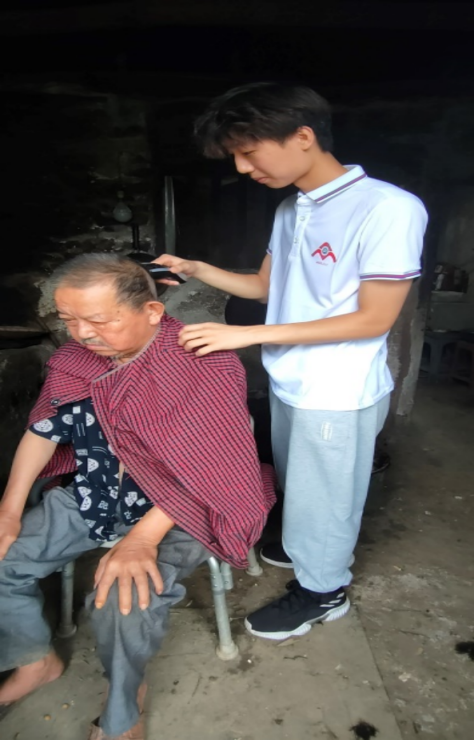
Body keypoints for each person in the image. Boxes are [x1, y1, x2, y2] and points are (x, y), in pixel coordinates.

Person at [154, 82, 428, 642]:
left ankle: (324, 591)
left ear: (303, 136)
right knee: (302, 483)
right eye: (235, 155)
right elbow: (264, 286)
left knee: (328, 495)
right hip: (291, 378)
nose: (242, 167)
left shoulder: (388, 208)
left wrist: (246, 336)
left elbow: (373, 319)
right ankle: (306, 544)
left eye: (249, 151)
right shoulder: (292, 208)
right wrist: (198, 268)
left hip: (336, 388)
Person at [0, 253, 275, 739]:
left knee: (121, 601)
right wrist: (9, 509)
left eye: (99, 320)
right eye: (68, 320)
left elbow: (212, 463)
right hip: (96, 491)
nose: (82, 334)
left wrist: (143, 539)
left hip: (184, 506)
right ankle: (34, 661)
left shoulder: (205, 361)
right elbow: (43, 430)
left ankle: (124, 704)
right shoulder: (74, 361)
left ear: (151, 311)